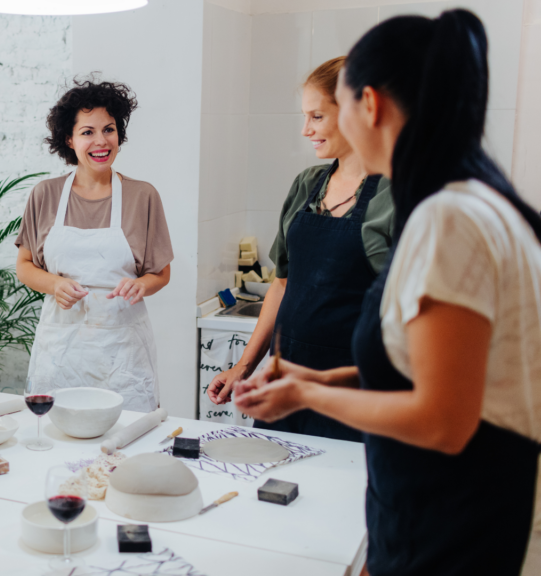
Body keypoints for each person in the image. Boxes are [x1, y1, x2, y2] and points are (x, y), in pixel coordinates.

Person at [236, 10, 541, 575]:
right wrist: (319, 379)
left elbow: (442, 419)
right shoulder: (482, 203)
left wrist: (307, 396)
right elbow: (434, 370)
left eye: (332, 109)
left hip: (445, 521)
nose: (313, 129)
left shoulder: (447, 220)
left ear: (369, 105)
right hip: (453, 509)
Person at [207, 56, 394, 442]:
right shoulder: (307, 184)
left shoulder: (397, 195)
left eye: (317, 117)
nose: (306, 130)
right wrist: (244, 367)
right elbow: (282, 283)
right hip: (286, 385)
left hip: (358, 394)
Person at [15, 78, 173, 412]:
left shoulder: (143, 196)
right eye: (87, 132)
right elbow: (25, 266)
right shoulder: (45, 194)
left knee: (126, 436)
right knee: (57, 432)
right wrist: (55, 284)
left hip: (123, 356)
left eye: (109, 130)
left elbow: (161, 273)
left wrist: (140, 285)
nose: (101, 141)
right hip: (60, 353)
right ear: (69, 139)